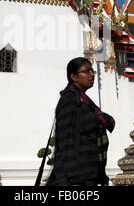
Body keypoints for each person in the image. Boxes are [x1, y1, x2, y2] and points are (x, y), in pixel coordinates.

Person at [47, 57, 115, 186]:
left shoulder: (85, 102)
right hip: (76, 178)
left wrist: (102, 176)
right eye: (86, 71)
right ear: (73, 77)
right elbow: (66, 141)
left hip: (90, 174)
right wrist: (74, 180)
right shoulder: (70, 99)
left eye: (92, 71)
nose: (92, 75)